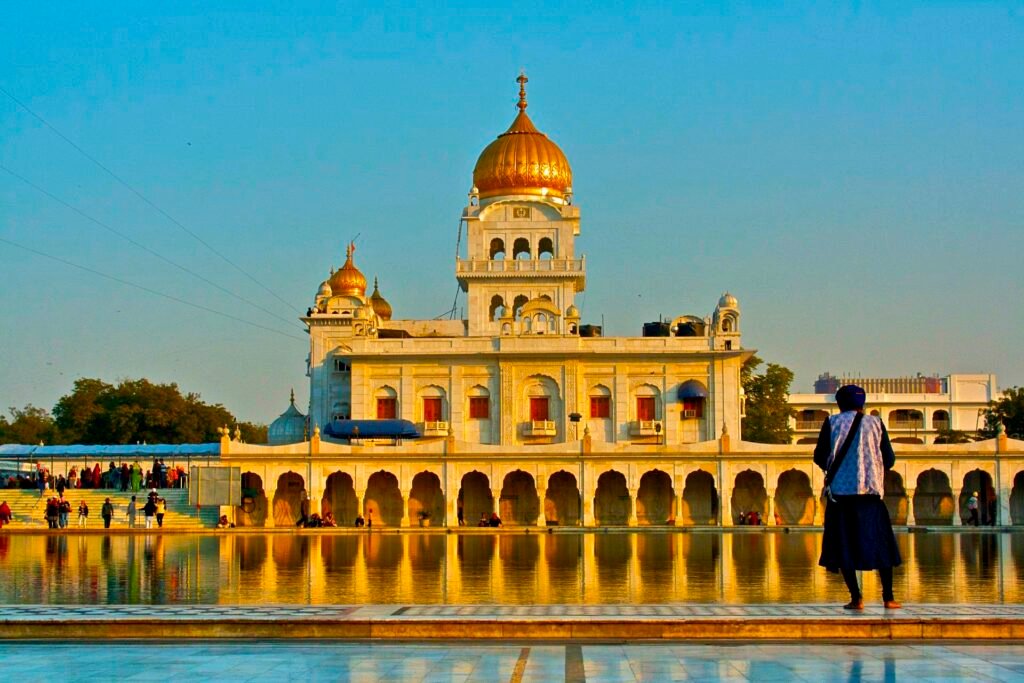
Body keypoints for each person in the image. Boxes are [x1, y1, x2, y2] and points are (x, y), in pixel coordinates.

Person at [814, 384, 901, 610]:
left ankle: (856, 598)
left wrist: (836, 469)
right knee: (881, 546)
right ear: (863, 403)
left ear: (839, 403)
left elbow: (819, 456)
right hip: (870, 495)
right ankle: (889, 598)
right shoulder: (876, 423)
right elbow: (889, 459)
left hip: (841, 496)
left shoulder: (832, 423)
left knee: (844, 546)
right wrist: (873, 466)